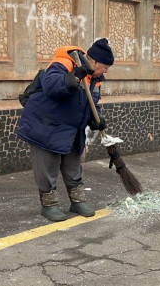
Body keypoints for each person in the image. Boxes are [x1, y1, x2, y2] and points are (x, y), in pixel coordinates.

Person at [17, 39, 114, 222]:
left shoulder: (95, 79)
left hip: (71, 128)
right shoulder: (64, 62)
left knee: (72, 165)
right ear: (93, 62)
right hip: (45, 125)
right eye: (105, 66)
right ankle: (49, 205)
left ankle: (77, 201)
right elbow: (52, 87)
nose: (107, 70)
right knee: (48, 166)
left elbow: (91, 103)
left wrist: (96, 119)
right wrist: (74, 77)